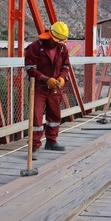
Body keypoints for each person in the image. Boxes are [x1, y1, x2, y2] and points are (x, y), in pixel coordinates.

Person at [24, 21, 70, 160]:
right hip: (38, 87)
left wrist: (62, 78)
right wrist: (45, 79)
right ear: (49, 35)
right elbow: (30, 68)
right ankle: (35, 146)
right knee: (36, 117)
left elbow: (66, 66)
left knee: (54, 116)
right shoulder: (35, 48)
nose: (57, 44)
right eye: (56, 41)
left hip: (55, 88)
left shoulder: (62, 49)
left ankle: (51, 141)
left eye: (60, 42)